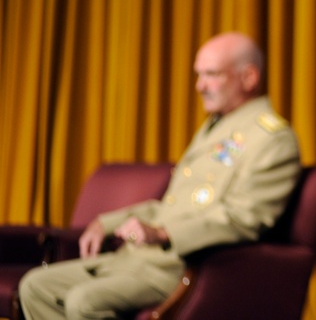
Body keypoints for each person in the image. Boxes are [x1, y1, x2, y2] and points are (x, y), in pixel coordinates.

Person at [18, 32, 301, 320]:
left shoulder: (271, 139)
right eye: (198, 74)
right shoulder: (216, 128)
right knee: (34, 286)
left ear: (249, 77)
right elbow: (171, 207)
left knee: (84, 301)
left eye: (211, 74)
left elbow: (244, 219)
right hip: (141, 258)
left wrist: (164, 233)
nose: (200, 85)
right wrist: (104, 224)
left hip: (185, 267)